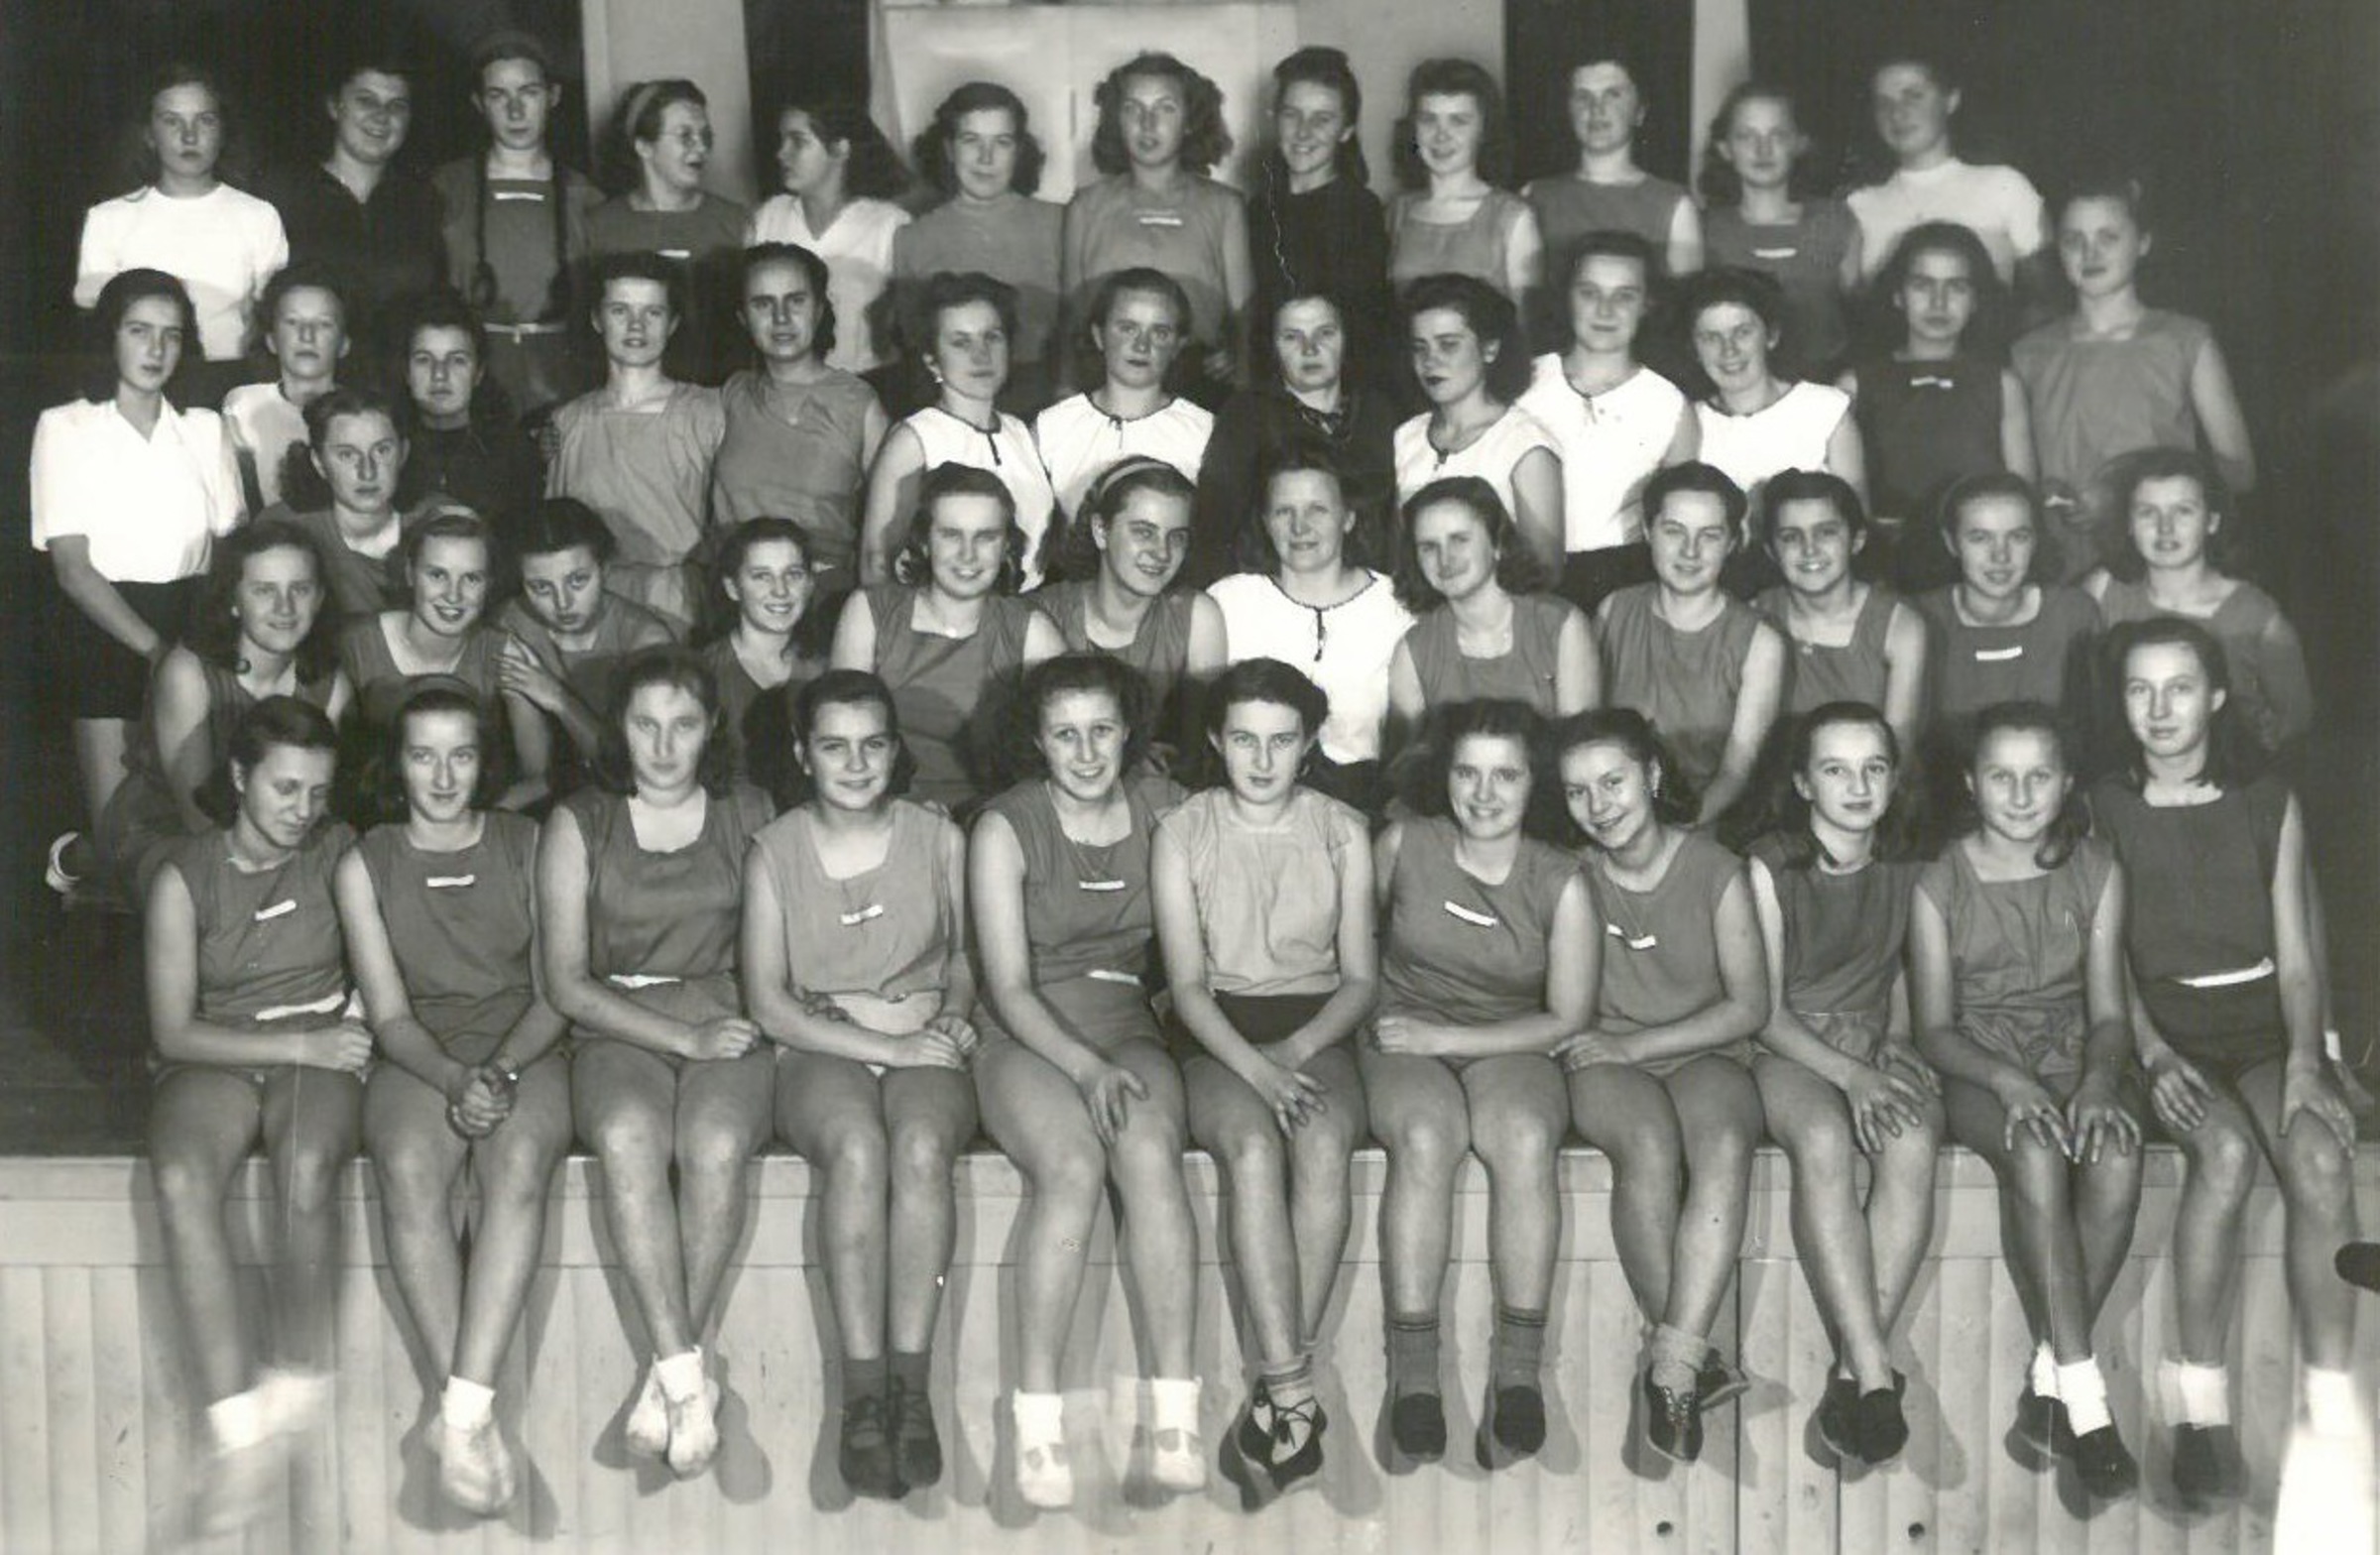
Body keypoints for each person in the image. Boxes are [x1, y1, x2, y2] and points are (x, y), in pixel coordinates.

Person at [2092, 621, 2362, 1504]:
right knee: (2228, 1153)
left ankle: (2332, 1408)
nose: (2160, 708)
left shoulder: (2267, 799)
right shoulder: (2104, 806)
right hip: (2165, 1033)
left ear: (2214, 697)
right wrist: (2152, 1052)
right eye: (2140, 689)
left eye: (2179, 688)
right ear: (2121, 702)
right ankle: (2198, 1409)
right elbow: (2105, 957)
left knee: (2320, 1156)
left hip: (2260, 1030)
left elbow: (2299, 955)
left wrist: (2306, 1060)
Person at [538, 645, 777, 1479]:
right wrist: (682, 1040)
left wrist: (718, 1031)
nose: (665, 746)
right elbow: (565, 981)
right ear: (619, 730)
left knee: (716, 1143)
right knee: (628, 1136)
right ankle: (684, 1375)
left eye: (683, 725)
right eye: (646, 726)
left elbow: (773, 952)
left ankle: (666, 1380)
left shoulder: (750, 809)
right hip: (619, 1022)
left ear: (712, 728)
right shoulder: (579, 821)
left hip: (728, 1013)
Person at [972, 655, 1202, 1507]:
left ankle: (1174, 1412)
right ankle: (1038, 1421)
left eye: (1102, 730)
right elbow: (1008, 986)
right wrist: (1086, 1067)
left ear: (1128, 731)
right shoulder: (1006, 825)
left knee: (1148, 1152)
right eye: (1064, 734)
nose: (1086, 751)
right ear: (1037, 741)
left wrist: (1117, 1057)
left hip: (1126, 1022)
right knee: (1071, 1167)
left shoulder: (1165, 810)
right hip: (1026, 1033)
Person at [335, 686, 570, 1514]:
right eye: (423, 755)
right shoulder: (366, 860)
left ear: (485, 761)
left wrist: (498, 1072)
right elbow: (389, 1015)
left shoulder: (529, 842)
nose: (442, 777)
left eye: (461, 755)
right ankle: (469, 1418)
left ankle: (460, 1414)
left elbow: (557, 991)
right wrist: (451, 1079)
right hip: (420, 1050)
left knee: (519, 1162)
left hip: (524, 1042)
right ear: (395, 764)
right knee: (407, 1164)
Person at [744, 670, 977, 1498]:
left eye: (873, 744)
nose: (855, 763)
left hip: (922, 1034)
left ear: (895, 749)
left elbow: (964, 957)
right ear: (802, 755)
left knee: (920, 1147)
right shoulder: (773, 851)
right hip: (821, 1045)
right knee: (855, 1147)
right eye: (834, 747)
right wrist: (885, 1045)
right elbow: (768, 1003)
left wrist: (952, 1015)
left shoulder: (938, 836)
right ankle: (863, 1394)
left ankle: (911, 1390)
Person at [1151, 658, 1376, 1501]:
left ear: (1309, 743)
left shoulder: (1342, 829)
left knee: (1323, 1142)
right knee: (1250, 1147)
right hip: (1216, 1032)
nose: (1262, 758)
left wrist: (1296, 1053)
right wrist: (1256, 1069)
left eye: (1282, 741)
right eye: (1244, 739)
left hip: (1315, 1029)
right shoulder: (1183, 830)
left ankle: (1282, 1390)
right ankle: (1292, 1391)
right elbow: (1185, 987)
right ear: (1217, 740)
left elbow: (1360, 979)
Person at [142, 696, 364, 1532]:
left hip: (317, 1051)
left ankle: (294, 1386)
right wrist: (301, 1046)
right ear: (239, 778)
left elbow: (383, 970)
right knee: (180, 1177)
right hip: (221, 1052)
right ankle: (237, 1432)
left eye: (319, 791)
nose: (304, 809)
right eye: (285, 789)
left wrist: (343, 1032)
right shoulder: (183, 876)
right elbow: (173, 1031)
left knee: (306, 1164)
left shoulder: (337, 850)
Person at [1909, 702, 2142, 1498]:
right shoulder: (1939, 881)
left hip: (2075, 1058)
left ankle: (2047, 1382)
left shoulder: (2097, 867)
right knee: (2037, 1149)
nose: (2019, 794)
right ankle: (2087, 1399)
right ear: (1971, 785)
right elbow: (1934, 1030)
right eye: (2000, 777)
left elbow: (2110, 1015)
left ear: (2067, 781)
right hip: (1982, 1066)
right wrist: (2009, 1082)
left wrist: (2099, 1082)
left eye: (2038, 776)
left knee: (2116, 1152)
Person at [1364, 700, 1593, 1470]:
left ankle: (1518, 1374)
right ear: (1445, 776)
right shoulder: (1405, 844)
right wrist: (1415, 1036)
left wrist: (1450, 1041)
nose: (1484, 794)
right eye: (1468, 773)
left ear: (1535, 784)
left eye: (1506, 776)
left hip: (1509, 1036)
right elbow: (1355, 952)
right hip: (1404, 1030)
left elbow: (1566, 1017)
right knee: (1427, 1135)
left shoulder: (1561, 879)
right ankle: (1416, 1379)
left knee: (1524, 1136)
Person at [1556, 708, 1767, 1464]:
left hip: (1701, 1046)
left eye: (1612, 782)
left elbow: (1749, 1006)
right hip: (1605, 1058)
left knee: (1724, 1141)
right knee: (1646, 1143)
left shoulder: (1715, 868)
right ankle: (1686, 1365)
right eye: (1577, 792)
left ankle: (1672, 1364)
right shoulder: (1569, 875)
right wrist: (1617, 1048)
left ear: (1650, 775)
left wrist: (1637, 1043)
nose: (1599, 805)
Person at [1743, 703, 1938, 1468]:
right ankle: (1877, 1370)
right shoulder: (1770, 866)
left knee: (1912, 1138)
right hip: (1784, 1045)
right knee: (1823, 1138)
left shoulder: (1906, 865)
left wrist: (1894, 1040)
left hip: (1866, 1041)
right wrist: (1851, 1074)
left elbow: (1898, 971)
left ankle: (1856, 1377)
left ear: (1893, 779)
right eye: (1835, 769)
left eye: (1873, 768)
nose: (1858, 787)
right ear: (1802, 783)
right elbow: (1764, 1012)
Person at [34, 269, 243, 893]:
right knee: (123, 842)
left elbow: (229, 551)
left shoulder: (205, 429)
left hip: (194, 625)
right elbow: (72, 569)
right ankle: (75, 859)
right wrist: (157, 653)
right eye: (138, 331)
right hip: (105, 630)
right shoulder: (65, 427)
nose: (156, 349)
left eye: (171, 335)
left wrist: (196, 653)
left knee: (204, 823)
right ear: (110, 337)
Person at [94, 521, 349, 904]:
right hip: (168, 828)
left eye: (300, 589)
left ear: (320, 599)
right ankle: (89, 862)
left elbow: (319, 804)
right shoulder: (188, 672)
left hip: (277, 833)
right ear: (233, 601)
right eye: (264, 590)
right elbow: (197, 813)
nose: (285, 607)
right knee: (226, 891)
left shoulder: (331, 686)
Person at [2013, 179, 2256, 581]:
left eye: (2108, 238)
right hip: (2061, 566)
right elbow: (2017, 476)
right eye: (2074, 240)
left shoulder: (2185, 341)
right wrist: (2047, 494)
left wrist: (2122, 493)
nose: (2090, 253)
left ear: (2143, 242)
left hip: (2160, 563)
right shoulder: (2029, 353)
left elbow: (2239, 470)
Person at [833, 463, 1064, 816]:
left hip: (990, 821)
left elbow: (1061, 750)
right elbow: (838, 738)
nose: (968, 554)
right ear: (924, 541)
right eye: (951, 535)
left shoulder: (1030, 631)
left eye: (986, 537)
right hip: (875, 811)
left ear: (1006, 546)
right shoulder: (871, 612)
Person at [1207, 452, 1415, 814]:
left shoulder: (1398, 606)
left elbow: (1411, 745)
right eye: (1283, 511)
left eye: (1317, 510)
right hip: (1245, 808)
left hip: (1363, 807)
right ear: (1265, 521)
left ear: (1348, 517)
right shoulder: (1228, 601)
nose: (1299, 527)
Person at [1838, 221, 2033, 594]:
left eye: (1956, 287)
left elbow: (2021, 495)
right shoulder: (1855, 384)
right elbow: (1846, 501)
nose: (1938, 302)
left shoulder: (2001, 384)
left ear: (1976, 299)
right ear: (1898, 295)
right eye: (1922, 285)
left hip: (1978, 569)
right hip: (1886, 568)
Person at [1594, 463, 1787, 827]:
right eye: (1674, 531)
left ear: (1732, 543)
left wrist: (1669, 835)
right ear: (1648, 531)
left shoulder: (1760, 641)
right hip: (1609, 816)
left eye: (1709, 536)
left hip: (1701, 822)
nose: (1690, 551)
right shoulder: (1613, 610)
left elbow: (1735, 774)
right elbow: (1589, 742)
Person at [1515, 232, 1698, 614]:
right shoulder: (1521, 383)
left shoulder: (1669, 404)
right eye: (1589, 293)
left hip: (1625, 583)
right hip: (1523, 577)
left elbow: (1676, 518)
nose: (1605, 310)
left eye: (1624, 296)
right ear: (1566, 297)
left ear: (1648, 304)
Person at [544, 253, 727, 631]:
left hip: (675, 604)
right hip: (590, 605)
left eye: (653, 313)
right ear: (597, 319)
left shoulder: (707, 412)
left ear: (673, 323)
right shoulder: (568, 422)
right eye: (620, 311)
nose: (636, 326)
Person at [2083, 449, 2311, 753]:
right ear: (2128, 524)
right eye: (2148, 512)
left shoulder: (2257, 618)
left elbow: (2294, 720)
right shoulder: (2102, 591)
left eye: (2183, 511)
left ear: (2212, 521)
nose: (2165, 527)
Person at [75, 63, 288, 383]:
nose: (189, 136)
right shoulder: (108, 219)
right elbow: (98, 325)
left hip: (230, 380)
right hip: (139, 386)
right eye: (172, 121)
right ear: (149, 134)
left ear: (223, 131)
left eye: (205, 120)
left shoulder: (259, 216)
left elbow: (274, 319)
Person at [1062, 52, 1252, 398]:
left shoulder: (1225, 206)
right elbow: (1071, 319)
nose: (1147, 124)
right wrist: (1065, 392)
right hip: (1106, 383)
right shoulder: (1085, 207)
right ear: (1116, 120)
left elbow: (1244, 317)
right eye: (1132, 108)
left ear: (1190, 120)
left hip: (1197, 383)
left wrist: (1239, 368)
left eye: (1165, 108)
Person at [431, 30, 597, 419]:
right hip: (471, 376)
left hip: (562, 378)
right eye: (498, 95)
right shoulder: (446, 189)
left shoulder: (585, 196)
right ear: (479, 103)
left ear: (553, 96)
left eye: (529, 92)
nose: (515, 110)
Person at [861, 273, 1060, 589]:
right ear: (932, 362)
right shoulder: (915, 439)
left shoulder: (1021, 432)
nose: (981, 355)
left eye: (992, 337)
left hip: (1027, 609)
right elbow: (876, 564)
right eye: (960, 342)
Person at [1190, 291, 1401, 587]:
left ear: (1346, 339)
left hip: (1369, 589)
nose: (1310, 349)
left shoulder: (1378, 413)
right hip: (1274, 590)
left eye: (1325, 333)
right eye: (1292, 337)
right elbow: (1213, 526)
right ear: (1273, 346)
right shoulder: (1247, 415)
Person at [339, 512, 547, 809]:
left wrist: (470, 818)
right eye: (437, 575)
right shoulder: (355, 645)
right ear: (410, 574)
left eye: (472, 578)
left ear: (489, 584)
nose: (453, 595)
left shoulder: (503, 651)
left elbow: (539, 778)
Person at [710, 243, 888, 590]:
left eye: (795, 301)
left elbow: (888, 532)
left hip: (825, 592)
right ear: (743, 318)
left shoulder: (859, 404)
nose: (781, 318)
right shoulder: (731, 395)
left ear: (819, 310)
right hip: (738, 593)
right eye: (763, 304)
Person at [1386, 477, 1598, 751]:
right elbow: (1411, 764)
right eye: (1429, 547)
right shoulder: (1413, 651)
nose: (1445, 559)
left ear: (1497, 544)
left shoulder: (1561, 626)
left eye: (1459, 540)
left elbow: (1580, 753)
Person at [895, 82, 1066, 415]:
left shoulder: (1060, 223)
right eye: (971, 140)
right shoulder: (913, 237)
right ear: (949, 149)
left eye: (1002, 142)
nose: (986, 158)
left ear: (1019, 151)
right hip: (955, 406)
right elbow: (915, 349)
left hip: (1047, 401)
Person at [1033, 457, 1226, 750]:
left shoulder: (1196, 616)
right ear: (1101, 531)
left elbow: (1200, 745)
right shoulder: (1042, 614)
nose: (1161, 553)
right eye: (1144, 532)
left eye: (1176, 537)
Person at [492, 496, 678, 785]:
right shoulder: (513, 622)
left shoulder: (647, 640)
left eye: (577, 580)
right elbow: (535, 772)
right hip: (560, 788)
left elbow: (633, 772)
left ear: (604, 571)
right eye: (541, 588)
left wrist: (559, 699)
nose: (562, 602)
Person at [1913, 474, 2103, 754]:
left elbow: (2095, 733)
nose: (2000, 556)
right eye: (1980, 538)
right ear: (1951, 542)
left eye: (2018, 537)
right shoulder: (1920, 619)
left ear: (2036, 540)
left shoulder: (2073, 614)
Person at [261, 50, 443, 337]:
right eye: (366, 101)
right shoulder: (283, 194)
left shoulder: (425, 201)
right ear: (335, 106)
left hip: (399, 363)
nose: (381, 116)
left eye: (396, 106)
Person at [1524, 56, 1702, 342]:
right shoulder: (1535, 196)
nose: (1597, 109)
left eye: (1613, 95)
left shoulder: (1672, 203)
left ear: (1639, 111)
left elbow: (1683, 315)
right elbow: (1529, 312)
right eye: (1583, 97)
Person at [1247, 48, 1394, 391]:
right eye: (1292, 115)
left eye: (1322, 119)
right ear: (1274, 117)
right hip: (1267, 383)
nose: (1303, 132)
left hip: (1335, 388)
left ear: (1346, 130)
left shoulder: (1360, 210)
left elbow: (1362, 326)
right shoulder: (1258, 209)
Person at [1684, 269, 1864, 549]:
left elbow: (1856, 524)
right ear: (1695, 349)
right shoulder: (1687, 421)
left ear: (1771, 336)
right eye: (1711, 337)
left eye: (1742, 332)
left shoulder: (1826, 410)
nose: (1729, 350)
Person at [1752, 470, 1928, 756]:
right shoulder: (1754, 615)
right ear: (1772, 551)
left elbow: (1899, 747)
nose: (1809, 549)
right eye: (1791, 537)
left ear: (1856, 541)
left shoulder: (1898, 625)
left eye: (1826, 533)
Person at [1393, 274, 1563, 570]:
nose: (1430, 361)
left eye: (1448, 345)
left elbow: (1544, 570)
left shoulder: (1524, 445)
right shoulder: (1407, 437)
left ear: (1489, 349)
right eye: (1420, 347)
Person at [588, 79, 750, 387]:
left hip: (717, 393)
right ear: (644, 146)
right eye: (685, 136)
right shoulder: (600, 226)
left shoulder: (736, 222)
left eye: (705, 136)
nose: (700, 147)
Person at [1697, 82, 1857, 379]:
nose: (1763, 149)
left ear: (1799, 143)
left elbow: (1857, 318)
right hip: (1735, 386)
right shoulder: (1706, 228)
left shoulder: (1834, 221)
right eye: (1747, 136)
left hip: (1822, 386)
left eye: (1777, 135)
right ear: (1725, 148)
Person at [1847, 51, 2048, 289]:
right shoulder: (1859, 204)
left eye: (1913, 96)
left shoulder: (2004, 186)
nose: (1897, 113)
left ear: (1951, 100)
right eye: (1884, 103)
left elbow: (2046, 295)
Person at [1035, 268, 1216, 529]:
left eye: (1160, 333)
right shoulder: (1052, 428)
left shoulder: (1204, 433)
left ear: (1177, 345)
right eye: (1127, 328)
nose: (1142, 346)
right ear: (1099, 336)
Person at [747, 99, 911, 379]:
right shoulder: (768, 217)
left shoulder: (889, 224)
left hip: (866, 385)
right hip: (782, 387)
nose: (781, 154)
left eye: (798, 141)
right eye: (782, 141)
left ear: (840, 149)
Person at [1386, 59, 1540, 303]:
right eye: (1428, 119)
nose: (1441, 135)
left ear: (1484, 130)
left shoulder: (1512, 216)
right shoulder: (1397, 211)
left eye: (1458, 121)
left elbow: (1526, 319)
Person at [388, 289, 541, 527]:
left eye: (457, 360)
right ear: (407, 372)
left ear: (478, 373)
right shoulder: (384, 450)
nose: (439, 374)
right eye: (424, 360)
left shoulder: (515, 454)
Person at [697, 517, 832, 780]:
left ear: (810, 584)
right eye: (762, 576)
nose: (780, 591)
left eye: (793, 575)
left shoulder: (828, 667)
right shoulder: (704, 673)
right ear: (733, 588)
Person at [275, 386, 413, 621]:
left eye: (381, 451)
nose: (367, 472)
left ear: (403, 453)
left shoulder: (439, 521)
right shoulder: (285, 529)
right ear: (319, 462)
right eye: (347, 455)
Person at [223, 263, 349, 510]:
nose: (307, 336)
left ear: (344, 343)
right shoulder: (243, 405)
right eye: (292, 322)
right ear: (271, 340)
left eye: (323, 324)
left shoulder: (365, 412)